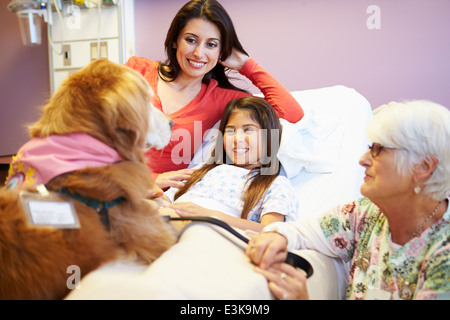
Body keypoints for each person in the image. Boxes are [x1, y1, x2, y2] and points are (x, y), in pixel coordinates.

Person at [246, 100, 450, 300]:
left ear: (424, 166)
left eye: (378, 149)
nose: (363, 160)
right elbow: (301, 232)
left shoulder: (444, 254)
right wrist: (276, 237)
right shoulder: (365, 213)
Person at [125, 0, 304, 189]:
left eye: (211, 44)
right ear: (175, 40)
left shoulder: (223, 99)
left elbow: (290, 114)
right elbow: (96, 132)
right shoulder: (137, 71)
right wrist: (151, 179)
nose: (198, 53)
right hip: (111, 182)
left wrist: (247, 65)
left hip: (159, 201)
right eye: (191, 40)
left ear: (222, 52)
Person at [161, 96, 298, 232]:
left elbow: (271, 231)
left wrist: (210, 215)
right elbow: (166, 199)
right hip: (168, 219)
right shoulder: (203, 169)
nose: (237, 139)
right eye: (230, 131)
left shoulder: (275, 184)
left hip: (210, 231)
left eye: (248, 130)